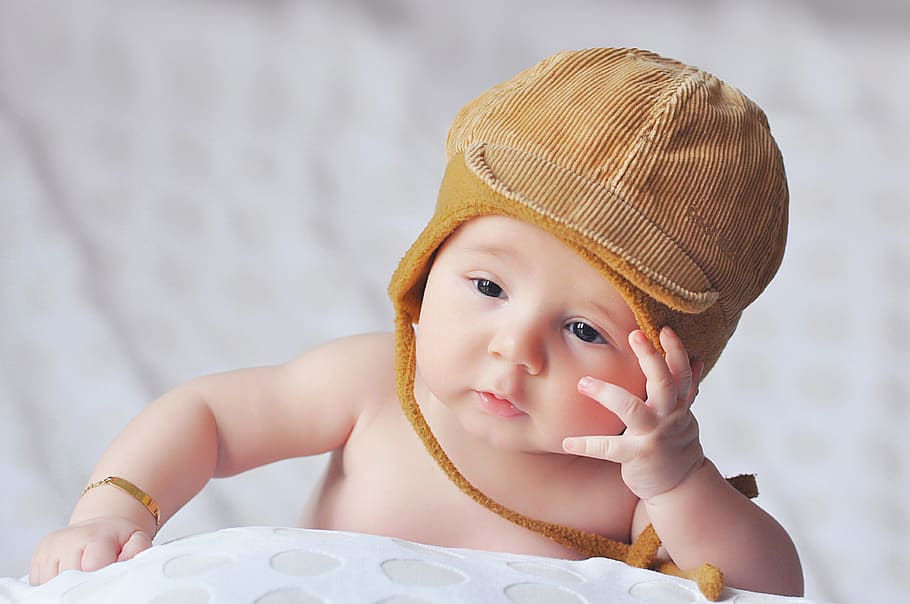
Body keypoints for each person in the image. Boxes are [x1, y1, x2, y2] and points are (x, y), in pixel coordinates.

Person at [29, 47, 804, 596]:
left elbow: (771, 587)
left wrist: (679, 481)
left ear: (677, 377)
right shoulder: (374, 386)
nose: (515, 347)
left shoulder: (630, 487)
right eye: (488, 285)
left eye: (585, 331)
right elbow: (208, 418)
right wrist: (112, 511)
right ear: (426, 270)